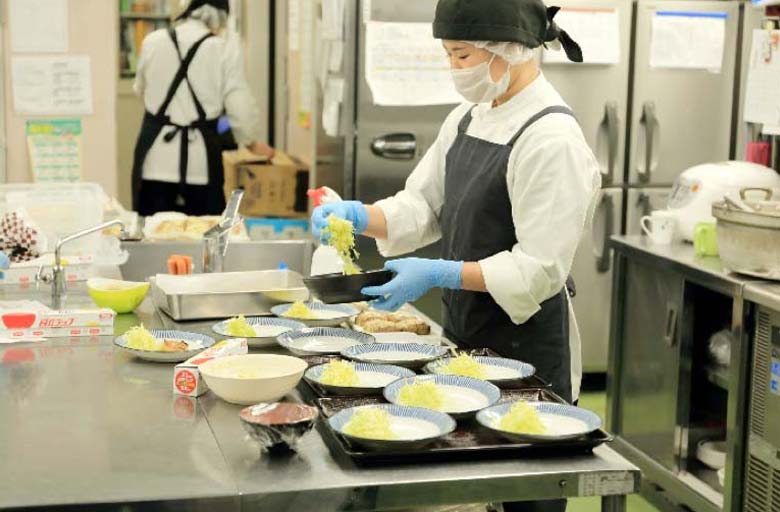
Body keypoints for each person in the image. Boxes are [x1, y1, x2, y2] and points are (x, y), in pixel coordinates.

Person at [313, 1, 600, 509]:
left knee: (522, 493)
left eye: (461, 55)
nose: (454, 68)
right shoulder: (469, 117)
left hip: (527, 351)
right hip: (468, 337)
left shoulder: (550, 139)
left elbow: (539, 269)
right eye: (448, 54)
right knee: (472, 483)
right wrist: (358, 216)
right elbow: (422, 205)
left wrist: (439, 271)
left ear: (507, 52)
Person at [131, 0, 274, 216]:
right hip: (201, 165)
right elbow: (238, 105)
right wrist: (250, 141)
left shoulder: (152, 41)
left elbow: (139, 89)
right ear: (220, 16)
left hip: (155, 161)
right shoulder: (223, 49)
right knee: (202, 236)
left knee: (153, 235)